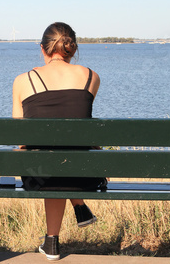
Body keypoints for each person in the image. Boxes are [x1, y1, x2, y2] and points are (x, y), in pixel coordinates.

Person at [12, 22, 105, 260]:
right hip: (84, 174)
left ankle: (52, 242)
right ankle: (78, 207)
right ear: (72, 49)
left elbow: (19, 136)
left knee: (48, 160)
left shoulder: (24, 80)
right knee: (63, 156)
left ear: (42, 48)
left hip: (40, 175)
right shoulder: (92, 77)